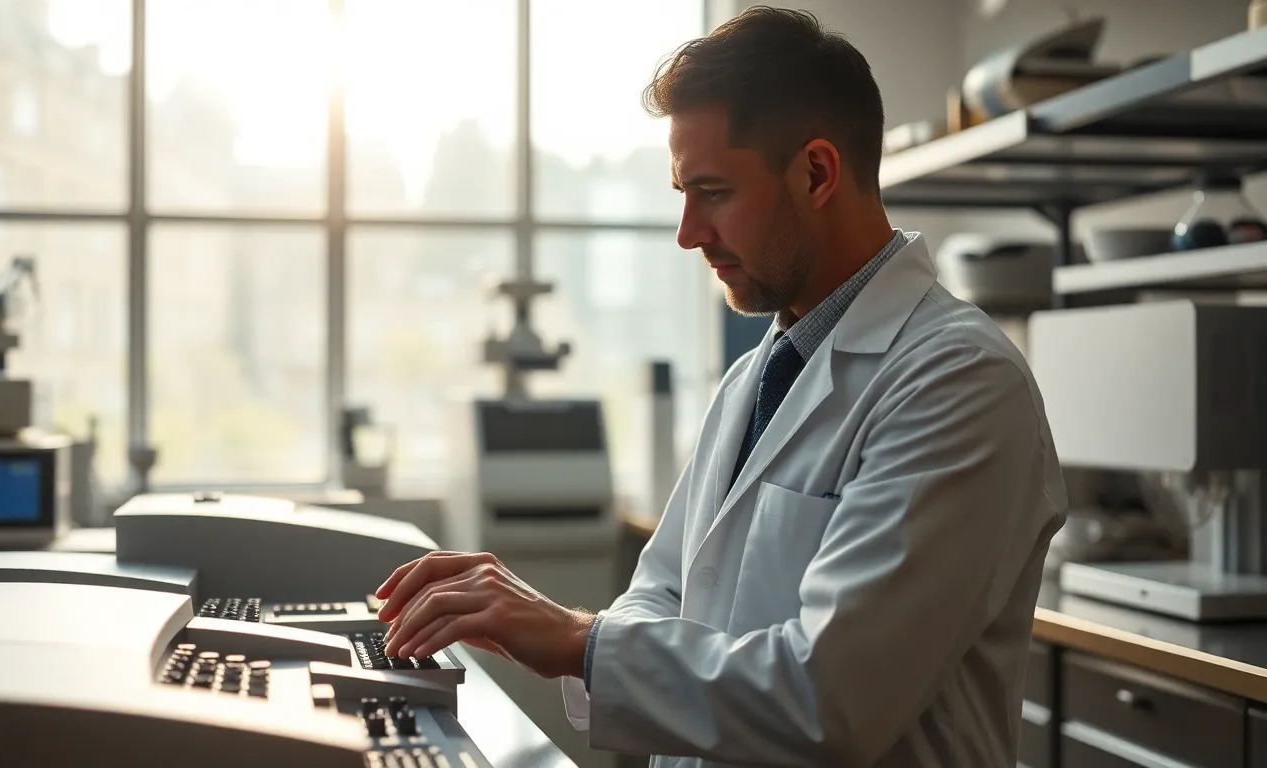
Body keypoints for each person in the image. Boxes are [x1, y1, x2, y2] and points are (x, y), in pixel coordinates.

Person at [374, 6, 1066, 766]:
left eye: (713, 192)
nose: (688, 232)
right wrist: (582, 638)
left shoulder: (957, 381)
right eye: (681, 191)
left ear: (816, 173)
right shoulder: (755, 378)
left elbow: (829, 699)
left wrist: (574, 639)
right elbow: (662, 594)